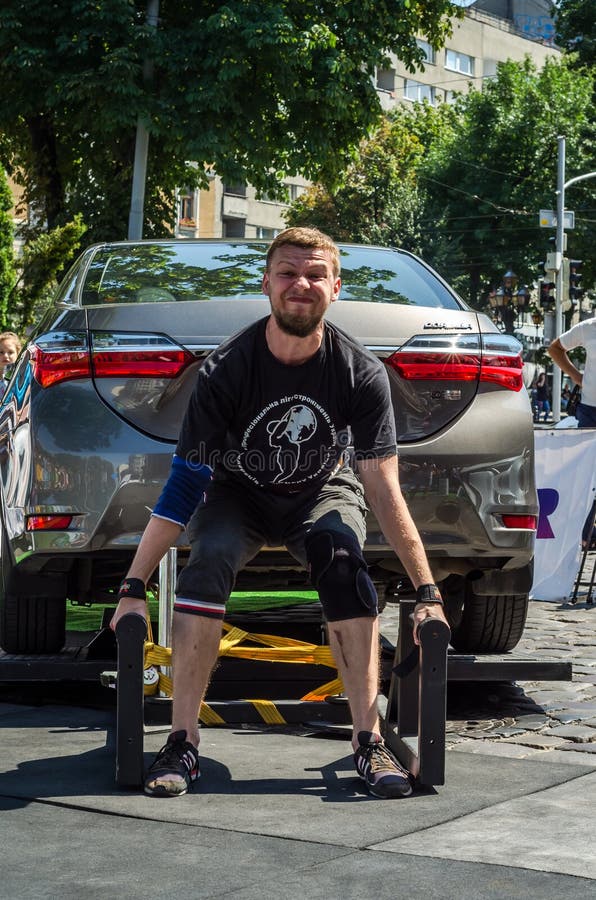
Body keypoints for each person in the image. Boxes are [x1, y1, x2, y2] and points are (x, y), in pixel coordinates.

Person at [111, 226, 449, 800]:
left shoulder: (358, 372)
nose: (301, 284)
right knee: (208, 559)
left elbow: (384, 488)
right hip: (236, 494)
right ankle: (183, 741)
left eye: (315, 274)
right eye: (289, 273)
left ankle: (368, 740)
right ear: (266, 283)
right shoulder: (226, 370)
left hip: (319, 489)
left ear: (335, 288)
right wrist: (132, 584)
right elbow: (185, 485)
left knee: (343, 560)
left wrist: (428, 593)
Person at [548, 316, 596, 549]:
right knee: (587, 474)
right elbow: (555, 348)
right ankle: (583, 535)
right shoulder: (589, 327)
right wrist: (577, 377)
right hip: (590, 411)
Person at [0, 331, 22, 400]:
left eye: (10, 352)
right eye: (1, 352)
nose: (6, 356)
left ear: (18, 354)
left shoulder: (22, 380)